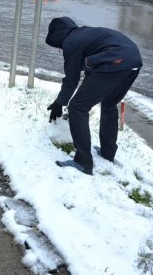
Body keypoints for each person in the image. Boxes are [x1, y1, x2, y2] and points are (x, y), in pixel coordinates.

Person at [45, 16, 142, 175]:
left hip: (115, 62)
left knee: (77, 108)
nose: (60, 50)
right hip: (133, 61)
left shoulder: (71, 43)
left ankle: (83, 163)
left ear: (57, 37)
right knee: (109, 105)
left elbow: (71, 79)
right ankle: (107, 153)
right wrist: (64, 100)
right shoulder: (86, 35)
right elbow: (91, 74)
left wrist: (59, 103)